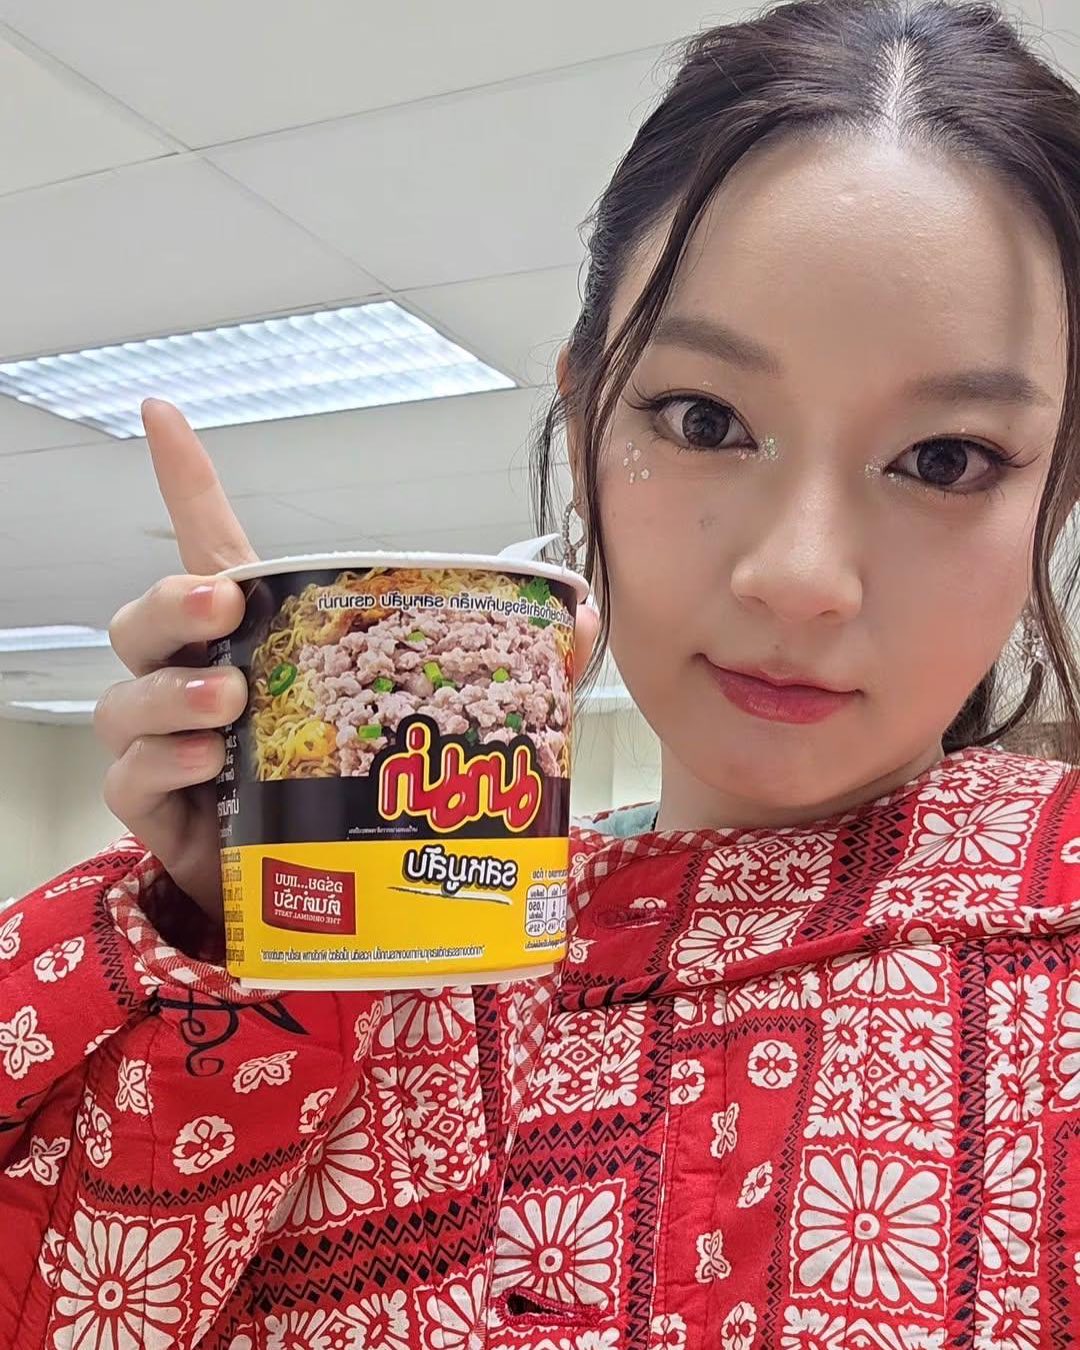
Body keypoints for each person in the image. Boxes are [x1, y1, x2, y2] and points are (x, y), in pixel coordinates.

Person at [5, 0, 1080, 1345]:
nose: (800, 575)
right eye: (704, 420)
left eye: (946, 459)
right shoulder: (392, 962)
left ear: (1053, 486)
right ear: (584, 429)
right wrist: (230, 947)